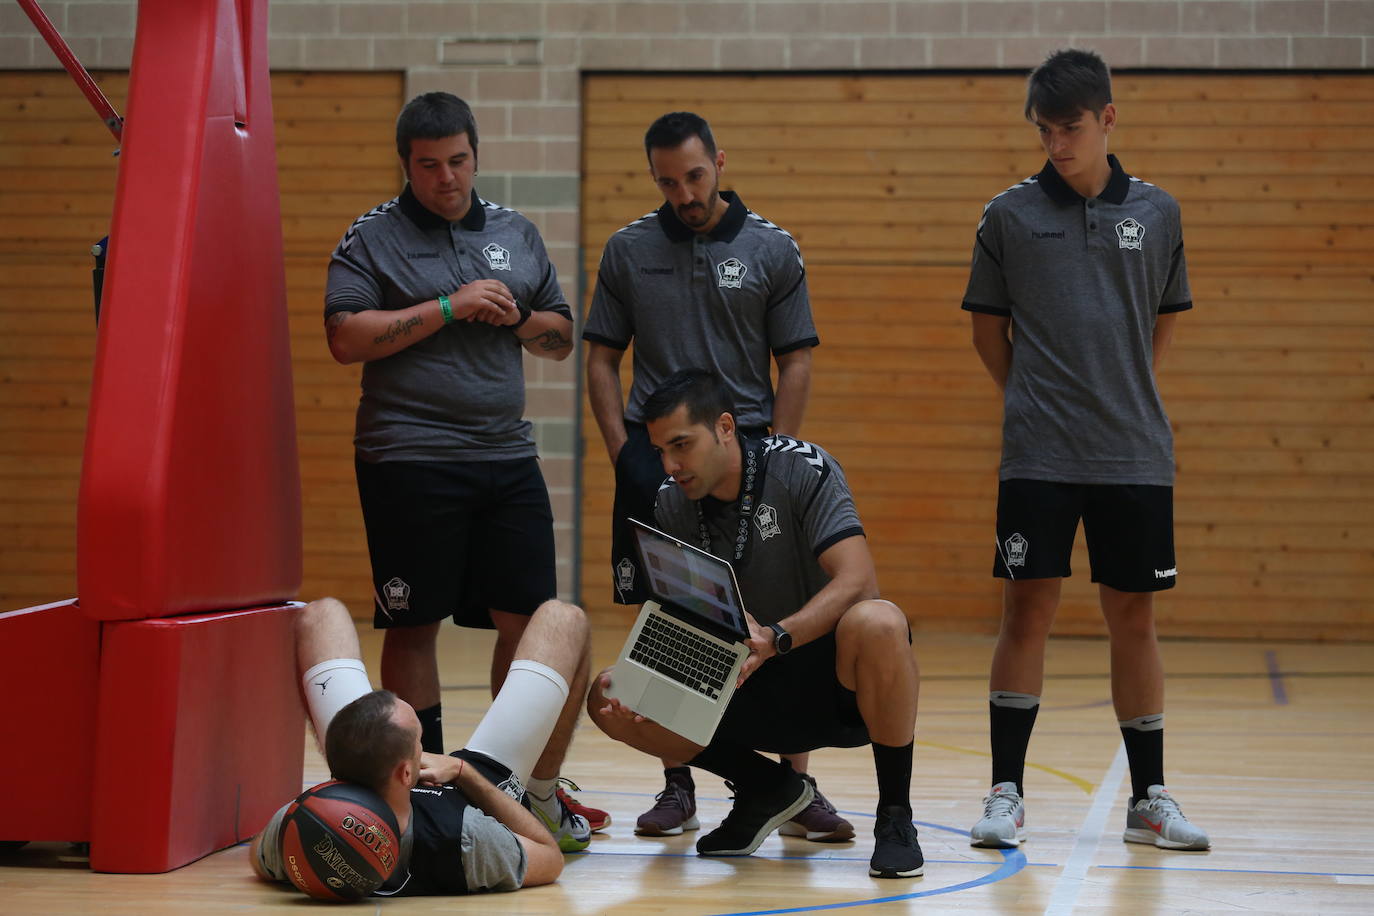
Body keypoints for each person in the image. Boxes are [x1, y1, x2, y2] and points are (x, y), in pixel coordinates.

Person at [323, 91, 606, 835]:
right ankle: (419, 785)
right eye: (429, 166)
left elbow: (560, 334)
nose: (446, 177)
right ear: (406, 166)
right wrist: (446, 307)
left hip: (506, 456)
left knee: (531, 622)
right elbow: (347, 337)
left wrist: (517, 317)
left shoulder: (515, 231)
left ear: (476, 155)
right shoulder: (372, 237)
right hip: (408, 458)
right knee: (414, 624)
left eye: (458, 161)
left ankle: (502, 786)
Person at [960, 49, 1209, 851]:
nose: (1056, 144)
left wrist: (1122, 386)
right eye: (1043, 130)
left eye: (1070, 128)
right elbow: (985, 329)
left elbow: (1165, 315)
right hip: (1037, 452)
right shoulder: (1006, 215)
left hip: (1133, 453)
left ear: (1108, 118)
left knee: (1132, 617)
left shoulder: (1161, 213)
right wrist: (1031, 398)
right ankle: (1006, 794)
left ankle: (1149, 799)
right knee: (1024, 612)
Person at [583, 111, 846, 842]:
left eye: (695, 176)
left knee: (775, 617)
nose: (684, 194)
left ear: (719, 163)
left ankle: (796, 784)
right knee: (669, 617)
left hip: (752, 464)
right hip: (656, 465)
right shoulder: (628, 249)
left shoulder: (772, 248)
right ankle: (679, 782)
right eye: (668, 181)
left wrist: (782, 452)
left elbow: (795, 357)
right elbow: (601, 357)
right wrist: (624, 453)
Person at [587, 370, 923, 878]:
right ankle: (767, 789)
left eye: (682, 445)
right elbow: (677, 614)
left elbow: (859, 579)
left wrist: (775, 636)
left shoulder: (799, 466)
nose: (671, 465)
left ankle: (896, 817)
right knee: (609, 696)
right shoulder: (668, 501)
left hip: (827, 681)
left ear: (725, 427)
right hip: (739, 678)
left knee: (880, 621)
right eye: (660, 451)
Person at [249, 595, 592, 896]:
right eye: (419, 741)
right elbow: (550, 859)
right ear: (407, 772)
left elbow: (258, 856)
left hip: (363, 779)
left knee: (320, 614)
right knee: (565, 618)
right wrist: (463, 772)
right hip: (489, 776)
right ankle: (545, 799)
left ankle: (356, 766)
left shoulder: (302, 824)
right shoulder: (468, 841)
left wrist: (326, 805)